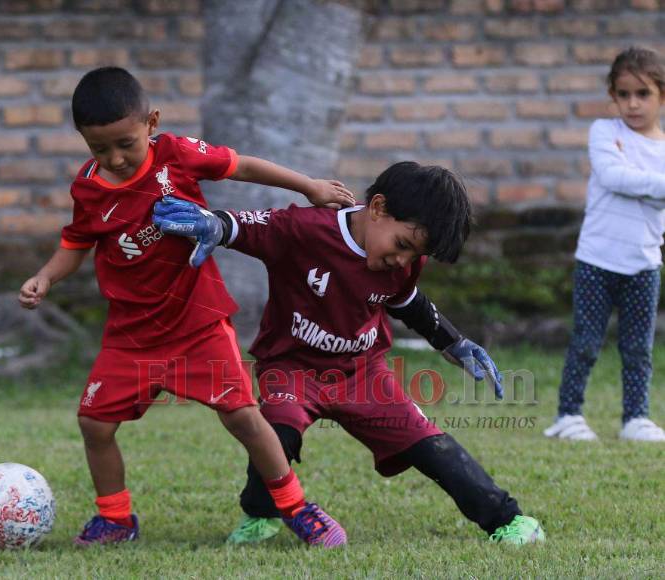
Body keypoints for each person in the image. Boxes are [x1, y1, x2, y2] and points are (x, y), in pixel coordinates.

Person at [18, 66, 356, 547]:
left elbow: (243, 165)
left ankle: (297, 508)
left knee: (242, 416)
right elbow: (76, 243)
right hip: (131, 336)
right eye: (99, 148)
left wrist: (309, 186)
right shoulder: (88, 188)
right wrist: (45, 277)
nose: (114, 158)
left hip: (197, 323)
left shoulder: (176, 155)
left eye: (125, 143)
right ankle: (115, 519)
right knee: (94, 423)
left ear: (151, 123)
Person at [153, 161, 545, 546]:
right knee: (276, 430)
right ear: (377, 208)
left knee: (430, 444)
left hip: (363, 373)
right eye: (402, 246)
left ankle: (508, 519)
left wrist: (451, 341)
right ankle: (260, 515)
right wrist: (213, 224)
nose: (403, 261)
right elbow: (243, 226)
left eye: (414, 256)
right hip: (292, 369)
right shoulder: (305, 230)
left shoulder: (403, 262)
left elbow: (406, 300)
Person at [544, 47, 665, 442]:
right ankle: (568, 416)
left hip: (644, 265)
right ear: (613, 95)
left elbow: (635, 185)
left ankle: (636, 419)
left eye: (643, 94)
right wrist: (652, 186)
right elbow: (613, 177)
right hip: (596, 261)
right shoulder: (604, 132)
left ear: (661, 95)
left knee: (638, 348)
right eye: (623, 94)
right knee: (586, 343)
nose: (633, 104)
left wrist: (638, 182)